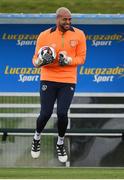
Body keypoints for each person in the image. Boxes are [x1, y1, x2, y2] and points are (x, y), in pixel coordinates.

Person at [31, 7, 87, 163]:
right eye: (65, 19)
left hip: (68, 80)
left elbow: (82, 58)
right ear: (57, 20)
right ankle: (36, 138)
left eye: (70, 19)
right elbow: (35, 58)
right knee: (45, 113)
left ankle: (60, 143)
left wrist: (69, 60)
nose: (68, 22)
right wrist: (38, 62)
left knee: (62, 113)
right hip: (48, 78)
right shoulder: (44, 35)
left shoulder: (79, 34)